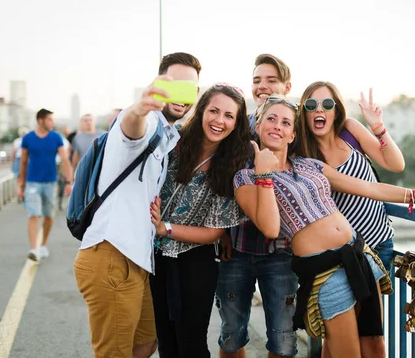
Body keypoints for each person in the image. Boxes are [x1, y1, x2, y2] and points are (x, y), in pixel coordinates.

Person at [233, 96, 415, 358]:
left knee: (375, 348)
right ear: (258, 127)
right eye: (271, 119)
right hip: (324, 270)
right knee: (348, 353)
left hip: (359, 255)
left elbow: (368, 187)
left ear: (292, 135)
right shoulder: (246, 177)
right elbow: (269, 228)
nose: (278, 126)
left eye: (286, 122)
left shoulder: (309, 165)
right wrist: (264, 174)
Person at [73, 52, 201, 358]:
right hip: (112, 255)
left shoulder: (168, 136)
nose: (182, 96)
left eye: (190, 89)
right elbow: (131, 129)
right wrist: (140, 108)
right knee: (114, 353)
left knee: (145, 343)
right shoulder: (146, 124)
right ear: (159, 85)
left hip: (136, 261)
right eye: (175, 85)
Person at [149, 84, 250, 358]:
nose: (219, 120)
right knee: (165, 341)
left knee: (191, 343)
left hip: (195, 261)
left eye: (229, 116)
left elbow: (214, 232)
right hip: (151, 257)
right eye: (214, 110)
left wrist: (164, 228)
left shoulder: (233, 163)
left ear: (236, 123)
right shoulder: (172, 141)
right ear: (201, 110)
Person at [216, 54, 299, 358]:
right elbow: (221, 184)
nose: (262, 86)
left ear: (286, 86)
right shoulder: (237, 127)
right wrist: (221, 233)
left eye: (271, 80)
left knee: (284, 339)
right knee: (231, 334)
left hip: (282, 251)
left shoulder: (294, 126)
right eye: (256, 80)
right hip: (237, 246)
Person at [296, 82, 405, 272]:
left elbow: (396, 165)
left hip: (379, 242)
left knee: (377, 303)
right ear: (304, 113)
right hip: (341, 252)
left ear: (336, 111)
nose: (319, 109)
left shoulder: (350, 130)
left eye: (327, 104)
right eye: (311, 105)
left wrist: (378, 127)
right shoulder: (303, 154)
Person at [17, 109, 73, 261]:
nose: (52, 123)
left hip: (51, 182)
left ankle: (42, 245)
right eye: (49, 120)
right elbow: (23, 162)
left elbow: (65, 159)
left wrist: (69, 180)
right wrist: (21, 184)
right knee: (33, 214)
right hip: (32, 182)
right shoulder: (28, 138)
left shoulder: (56, 137)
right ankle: (34, 249)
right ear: (40, 121)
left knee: (48, 216)